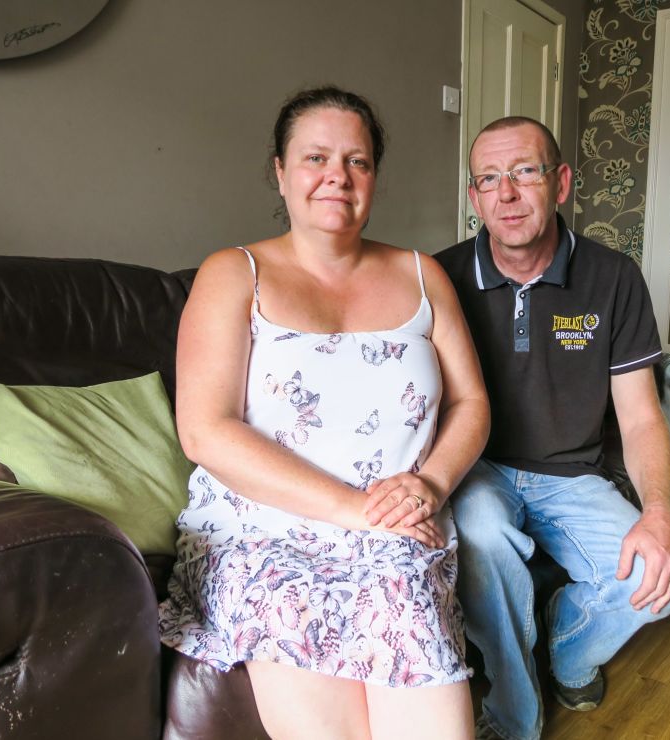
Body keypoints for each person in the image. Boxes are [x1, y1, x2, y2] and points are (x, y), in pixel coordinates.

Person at [159, 87, 490, 740]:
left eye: (357, 161)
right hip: (264, 532)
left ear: (373, 178)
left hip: (398, 527)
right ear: (280, 173)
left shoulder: (423, 274)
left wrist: (430, 484)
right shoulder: (233, 273)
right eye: (316, 157)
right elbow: (205, 430)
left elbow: (471, 402)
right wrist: (353, 510)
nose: (337, 176)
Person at [435, 117, 670, 740]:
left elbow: (639, 413)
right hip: (479, 469)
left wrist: (660, 510)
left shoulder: (613, 277)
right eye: (488, 178)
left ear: (562, 182)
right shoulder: (438, 276)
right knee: (485, 536)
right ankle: (515, 719)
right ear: (474, 196)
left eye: (525, 171)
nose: (507, 194)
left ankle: (568, 648)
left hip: (573, 475)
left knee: (658, 580)